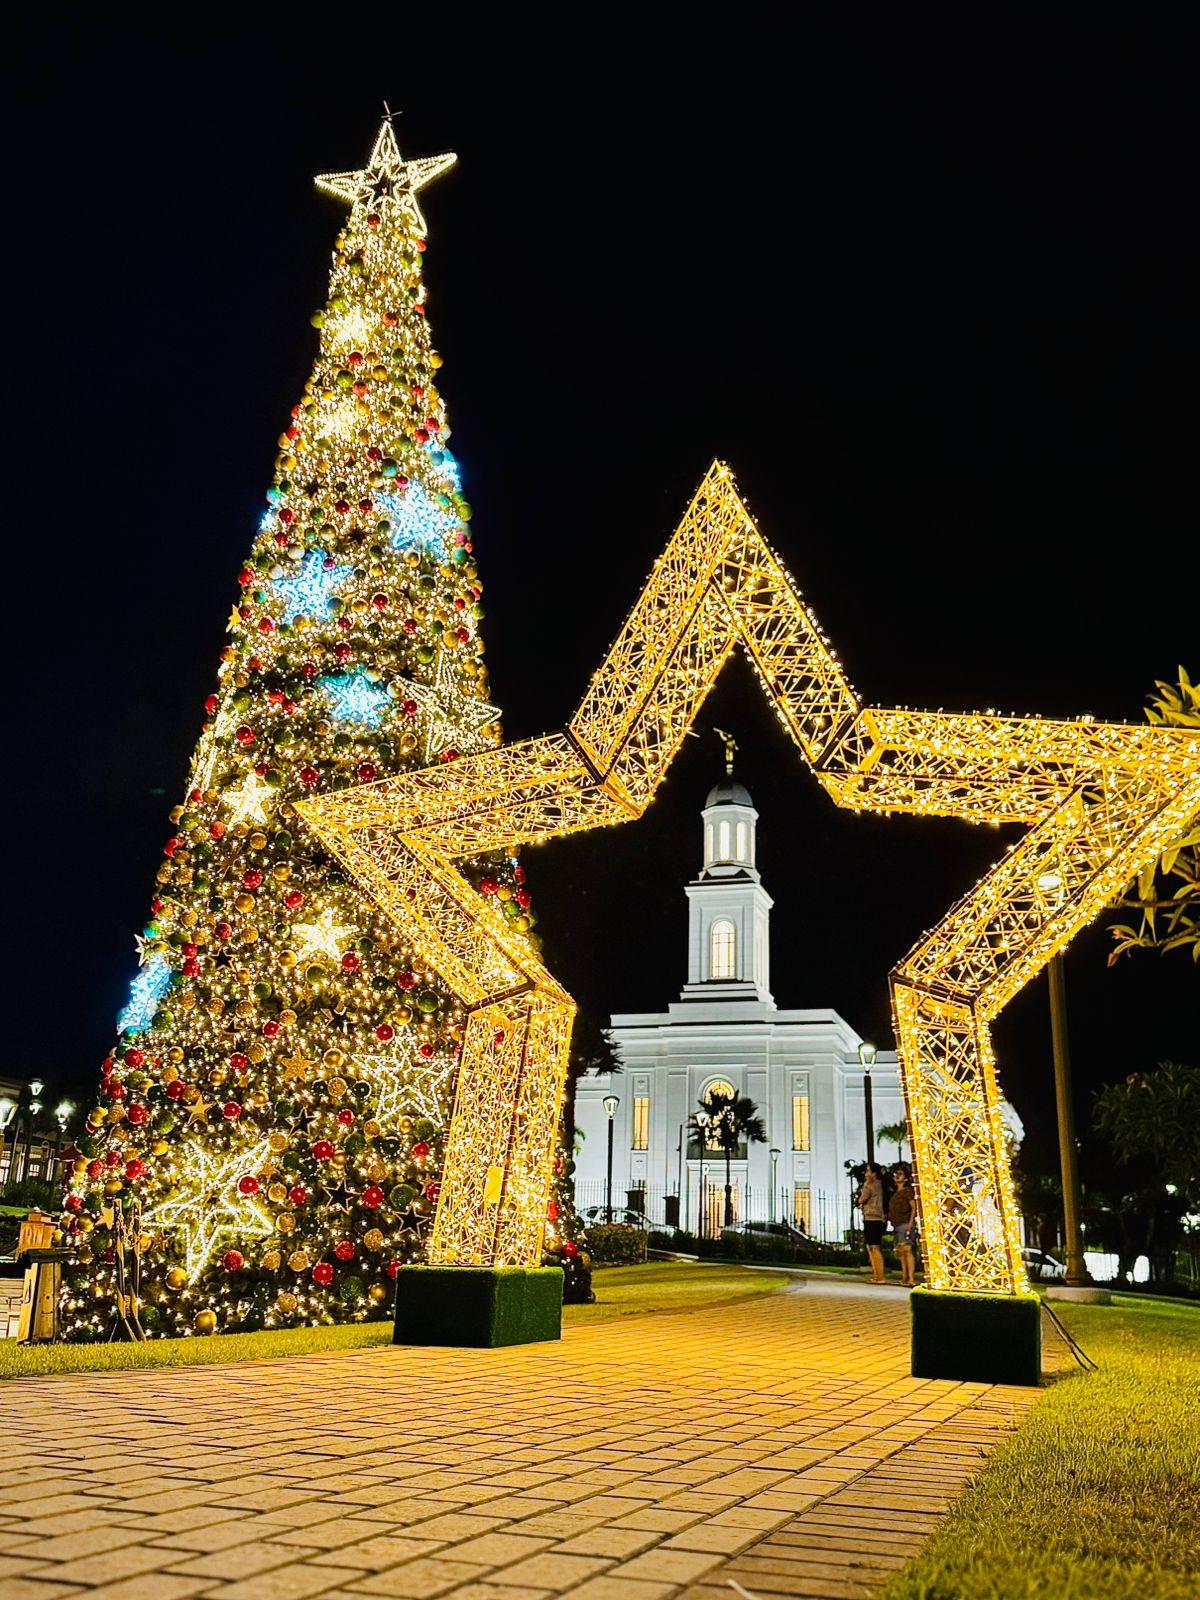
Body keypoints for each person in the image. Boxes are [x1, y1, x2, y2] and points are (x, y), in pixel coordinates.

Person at [857, 1162, 886, 1283]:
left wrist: (864, 1187)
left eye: (869, 1171)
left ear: (874, 1173)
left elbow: (862, 1199)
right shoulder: (879, 1185)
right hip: (874, 1217)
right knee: (871, 1247)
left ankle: (879, 1275)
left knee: (874, 1247)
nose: (866, 1174)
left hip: (873, 1217)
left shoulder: (871, 1185)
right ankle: (876, 1274)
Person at [889, 1167, 917, 1286]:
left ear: (905, 1178)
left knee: (907, 1250)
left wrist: (911, 1223)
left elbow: (913, 1207)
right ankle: (904, 1277)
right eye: (896, 1174)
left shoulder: (907, 1191)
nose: (897, 1176)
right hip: (897, 1224)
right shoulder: (895, 1193)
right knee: (901, 1251)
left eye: (900, 1174)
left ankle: (910, 1278)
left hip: (905, 1223)